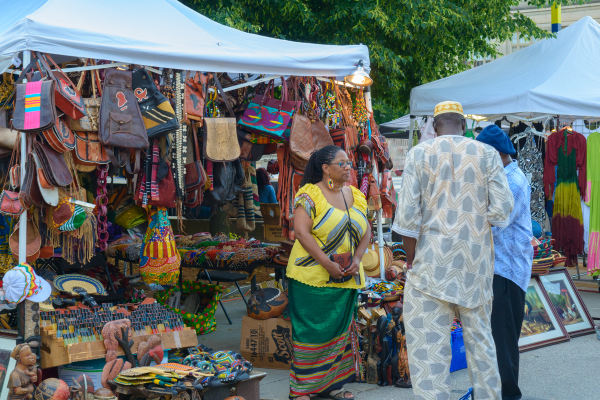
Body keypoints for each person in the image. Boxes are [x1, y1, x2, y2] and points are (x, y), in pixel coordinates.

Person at [393, 101, 514, 400]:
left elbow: (407, 222)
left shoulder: (419, 153)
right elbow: (502, 212)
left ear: (434, 127)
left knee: (428, 353)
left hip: (430, 266)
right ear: (464, 124)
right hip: (475, 266)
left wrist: (411, 260)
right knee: (482, 345)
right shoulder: (486, 154)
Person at [286, 145, 370, 400]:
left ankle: (333, 386)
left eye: (349, 164)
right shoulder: (310, 194)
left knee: (340, 331)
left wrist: (357, 258)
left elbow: (366, 232)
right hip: (312, 278)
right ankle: (302, 389)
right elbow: (301, 231)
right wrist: (327, 263)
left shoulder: (355, 195)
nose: (348, 168)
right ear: (325, 168)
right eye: (342, 163)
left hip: (346, 275)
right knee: (311, 332)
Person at [477, 124, 533, 400]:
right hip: (502, 267)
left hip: (506, 270)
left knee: (502, 339)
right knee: (496, 337)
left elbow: (495, 222)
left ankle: (508, 394)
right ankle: (494, 392)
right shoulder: (502, 176)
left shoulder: (510, 181)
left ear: (494, 154)